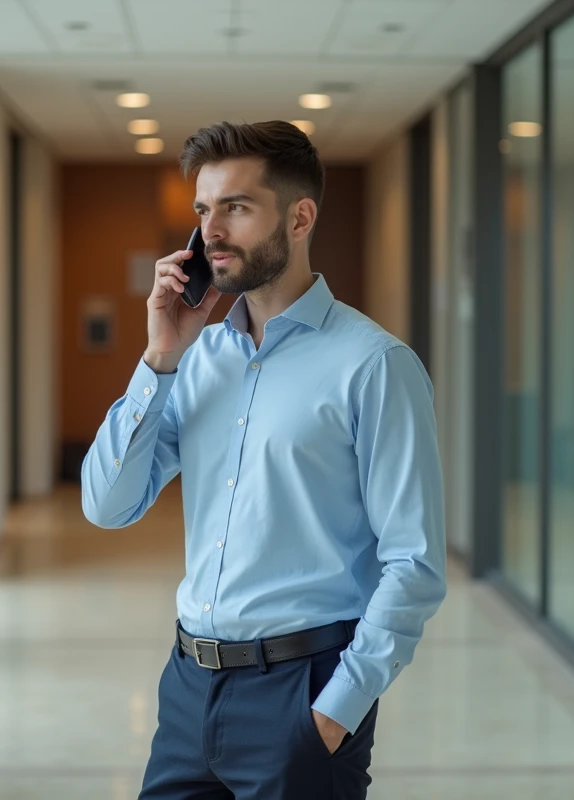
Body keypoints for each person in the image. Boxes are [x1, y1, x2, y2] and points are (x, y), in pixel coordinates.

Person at [81, 120, 447, 800]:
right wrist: (159, 357)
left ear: (300, 217)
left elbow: (415, 563)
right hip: (190, 688)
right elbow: (107, 504)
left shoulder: (374, 365)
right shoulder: (195, 361)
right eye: (203, 210)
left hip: (302, 695)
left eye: (236, 207)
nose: (211, 230)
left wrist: (334, 713)